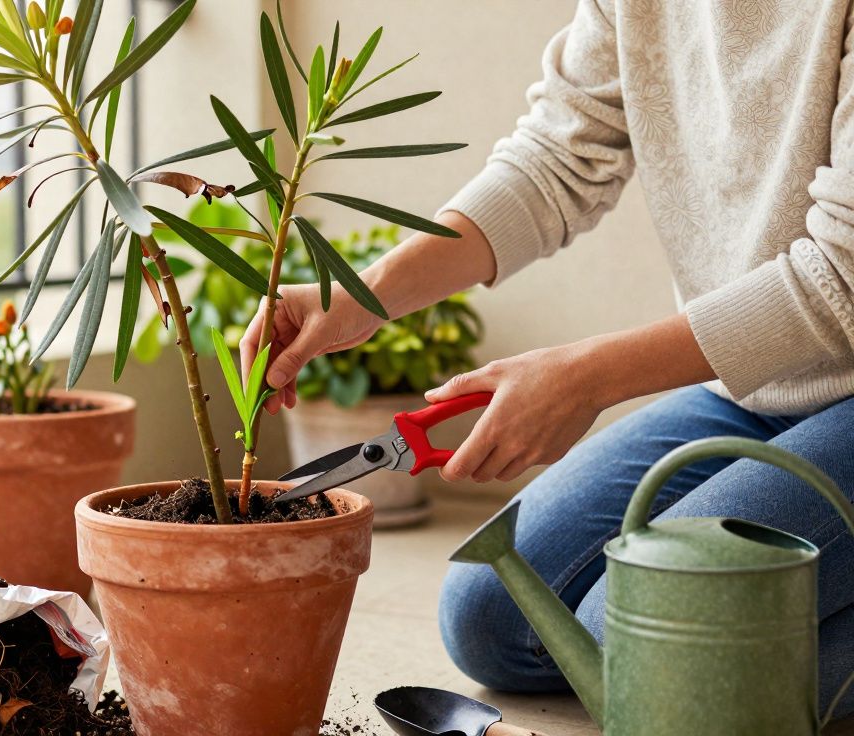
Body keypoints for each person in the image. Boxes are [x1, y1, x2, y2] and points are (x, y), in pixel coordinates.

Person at [241, 0, 854, 718]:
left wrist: (587, 377)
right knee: (490, 620)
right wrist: (363, 295)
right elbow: (560, 156)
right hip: (750, 392)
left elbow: (841, 275)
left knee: (644, 647)